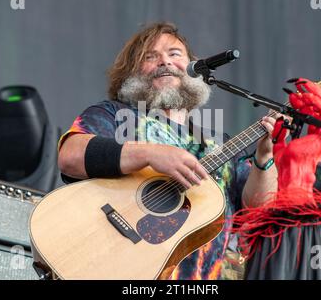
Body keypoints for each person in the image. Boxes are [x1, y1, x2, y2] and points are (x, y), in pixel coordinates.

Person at [57, 22, 278, 280]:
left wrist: (265, 157)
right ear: (133, 73)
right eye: (151, 57)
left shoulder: (220, 145)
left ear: (195, 70)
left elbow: (261, 210)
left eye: (174, 54)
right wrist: (150, 154)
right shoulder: (114, 114)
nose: (164, 62)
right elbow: (70, 156)